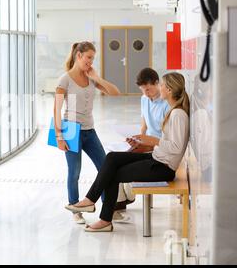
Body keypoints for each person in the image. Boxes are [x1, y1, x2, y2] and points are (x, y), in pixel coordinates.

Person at [65, 72, 189, 232]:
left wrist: (154, 141)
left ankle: (104, 219)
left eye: (163, 85)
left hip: (162, 168)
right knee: (111, 158)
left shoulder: (178, 114)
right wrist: (144, 143)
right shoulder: (174, 111)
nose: (160, 88)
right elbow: (169, 146)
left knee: (113, 174)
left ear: (170, 90)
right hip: (156, 158)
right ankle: (90, 200)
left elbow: (177, 147)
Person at [54, 41, 120, 225]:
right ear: (79, 55)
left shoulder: (91, 78)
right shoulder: (64, 80)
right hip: (70, 130)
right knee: (74, 172)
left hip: (89, 130)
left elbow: (115, 93)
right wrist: (59, 136)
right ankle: (75, 208)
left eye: (93, 58)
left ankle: (109, 209)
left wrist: (97, 78)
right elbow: (56, 109)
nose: (91, 62)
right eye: (89, 57)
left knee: (105, 169)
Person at [115, 67, 170, 211]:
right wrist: (137, 140)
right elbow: (144, 124)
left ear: (157, 83)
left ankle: (124, 200)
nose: (146, 93)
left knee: (123, 164)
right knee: (116, 159)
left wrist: (148, 145)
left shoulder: (166, 104)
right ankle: (123, 200)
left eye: (148, 89)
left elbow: (167, 137)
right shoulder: (144, 99)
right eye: (143, 90)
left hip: (158, 147)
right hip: (145, 143)